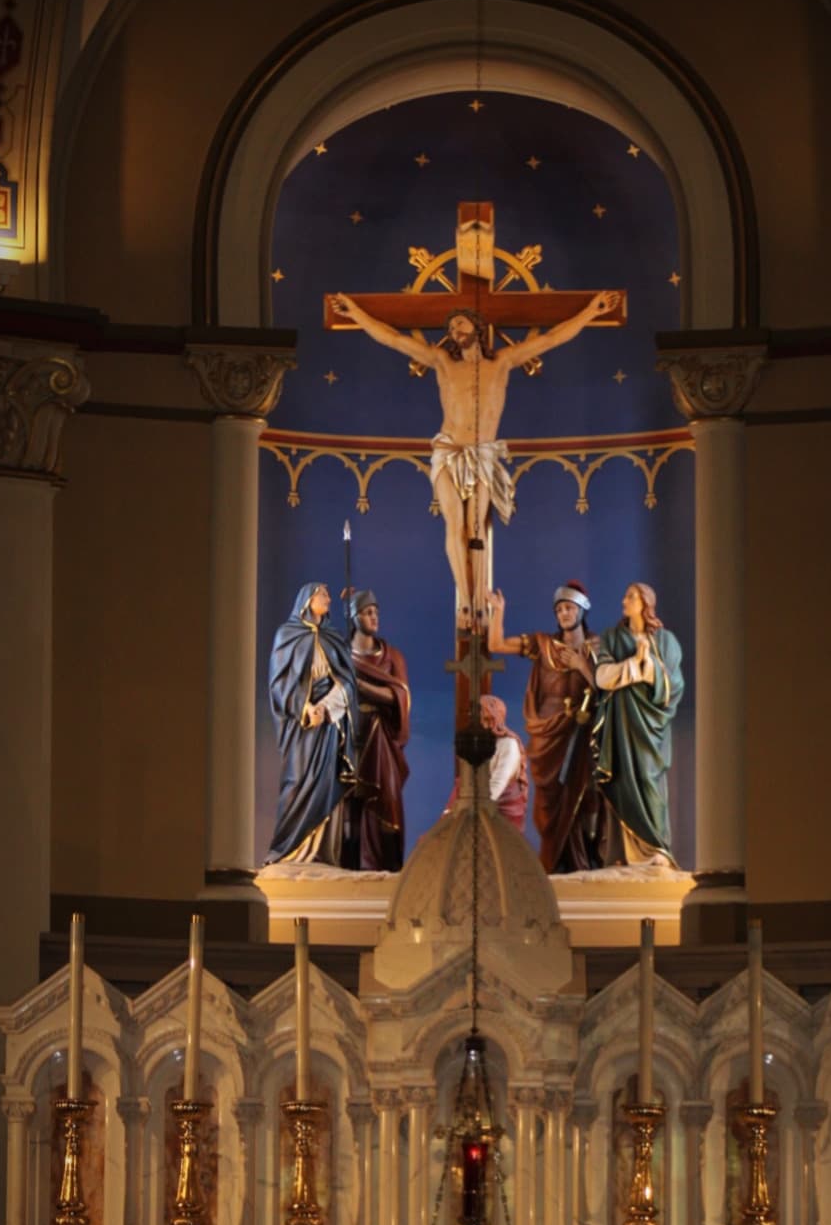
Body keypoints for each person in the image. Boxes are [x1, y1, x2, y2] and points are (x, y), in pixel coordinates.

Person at [329, 290, 621, 622]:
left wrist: (590, 312)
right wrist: (355, 312)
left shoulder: (503, 361)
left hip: (482, 454)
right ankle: (466, 599)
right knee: (454, 525)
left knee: (476, 528)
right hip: (448, 450)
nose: (455, 330)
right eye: (451, 327)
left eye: (461, 323)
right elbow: (395, 340)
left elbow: (552, 339)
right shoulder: (442, 363)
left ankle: (480, 599)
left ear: (478, 327)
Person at [486, 581, 601, 872]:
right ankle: (553, 862)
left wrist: (581, 665)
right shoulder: (544, 644)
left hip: (581, 730)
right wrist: (498, 612)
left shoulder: (596, 647)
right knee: (548, 803)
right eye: (559, 609)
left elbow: (605, 688)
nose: (564, 613)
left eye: (569, 608)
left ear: (582, 610)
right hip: (546, 734)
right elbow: (496, 645)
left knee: (584, 795)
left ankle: (582, 861)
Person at [592, 582, 684, 866]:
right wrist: (635, 663)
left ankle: (657, 849)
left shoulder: (666, 641)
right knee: (620, 779)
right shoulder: (611, 637)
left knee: (648, 779)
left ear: (646, 603)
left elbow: (675, 685)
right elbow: (602, 677)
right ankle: (621, 855)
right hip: (620, 724)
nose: (624, 600)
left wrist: (648, 668)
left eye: (631, 596)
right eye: (625, 596)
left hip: (650, 728)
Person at [265, 582, 358, 864]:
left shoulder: (333, 638)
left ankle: (321, 855)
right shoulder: (287, 635)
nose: (328, 599)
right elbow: (279, 683)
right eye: (323, 594)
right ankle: (287, 851)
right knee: (297, 781)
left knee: (327, 781)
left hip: (328, 724)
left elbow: (348, 681)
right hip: (302, 725)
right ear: (307, 600)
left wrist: (326, 707)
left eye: (329, 595)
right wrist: (305, 708)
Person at [344, 588, 411, 872]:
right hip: (348, 737)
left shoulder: (391, 656)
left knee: (386, 800)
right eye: (368, 612)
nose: (374, 617)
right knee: (350, 805)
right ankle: (350, 866)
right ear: (354, 617)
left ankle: (383, 866)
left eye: (376, 612)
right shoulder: (342, 656)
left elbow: (400, 695)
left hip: (381, 739)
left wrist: (362, 687)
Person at [445, 693, 528, 830]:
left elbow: (498, 782)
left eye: (478, 716)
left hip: (500, 810)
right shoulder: (479, 744)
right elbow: (466, 780)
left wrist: (473, 809)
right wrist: (452, 809)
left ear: (491, 717)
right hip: (475, 805)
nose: (473, 720)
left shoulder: (509, 745)